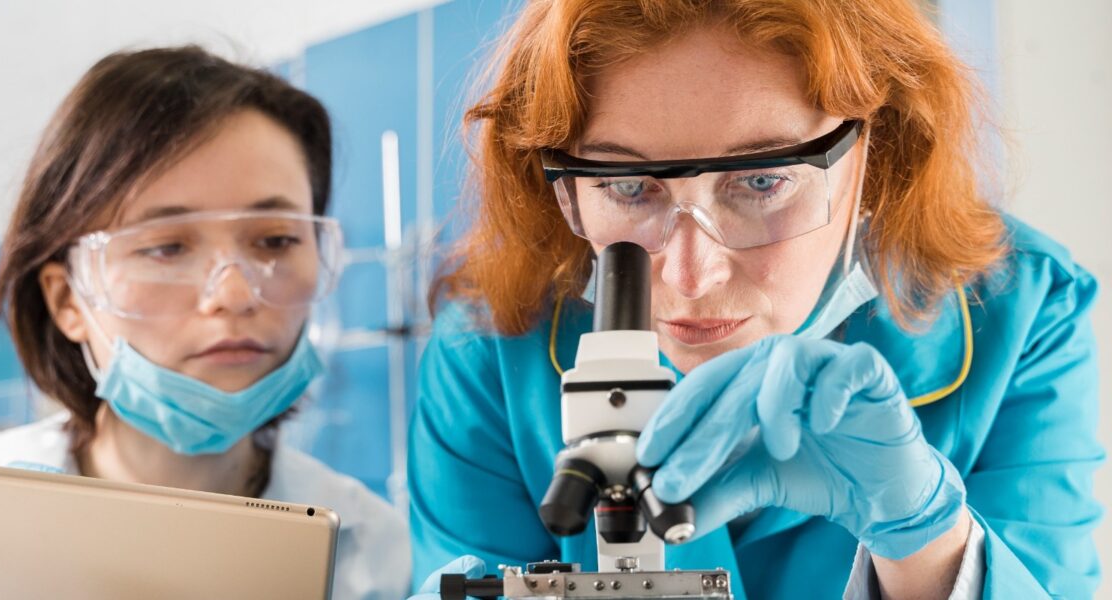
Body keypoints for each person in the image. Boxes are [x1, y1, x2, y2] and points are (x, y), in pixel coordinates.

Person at [408, 1, 1102, 598]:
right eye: (627, 186)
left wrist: (927, 540)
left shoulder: (1023, 310)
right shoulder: (491, 342)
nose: (692, 274)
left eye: (763, 181)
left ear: (877, 149)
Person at [0, 46, 410, 599]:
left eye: (276, 240)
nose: (233, 295)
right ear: (68, 301)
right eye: (166, 247)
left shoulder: (371, 553)